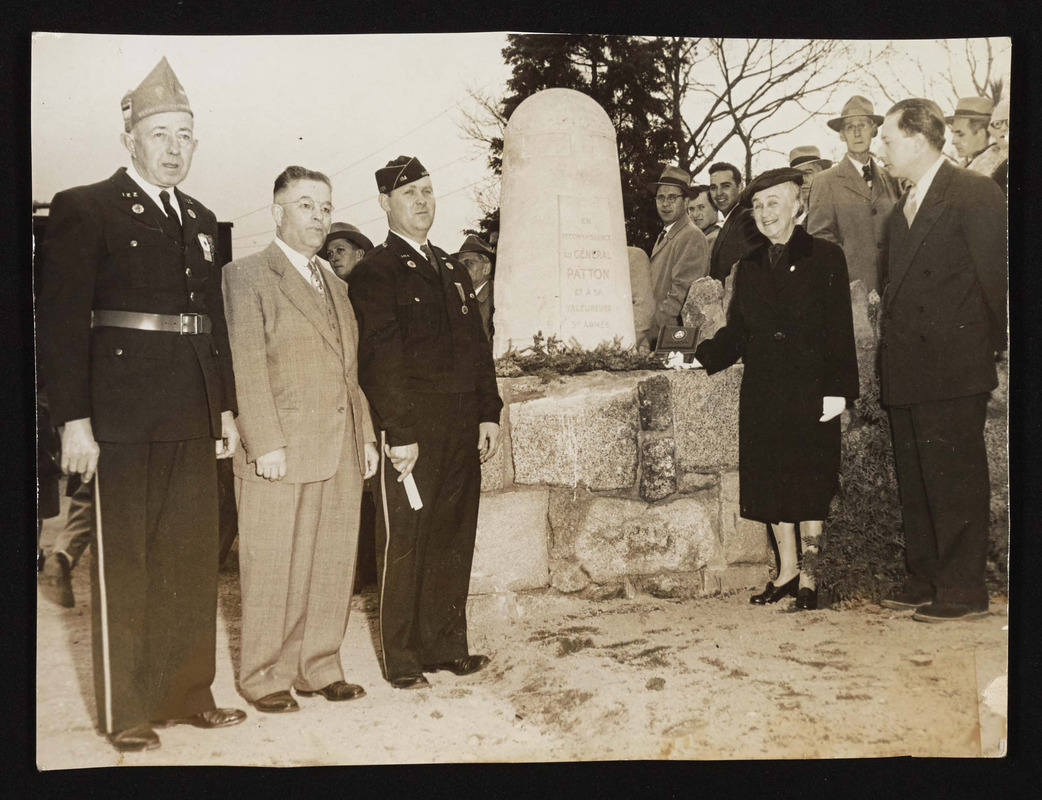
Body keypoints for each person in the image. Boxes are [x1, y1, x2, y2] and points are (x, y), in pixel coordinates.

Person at [35, 57, 246, 752]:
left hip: (189, 408)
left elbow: (208, 319)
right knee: (126, 563)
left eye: (186, 134)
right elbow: (62, 323)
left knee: (190, 559)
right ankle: (127, 707)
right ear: (131, 137)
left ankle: (187, 693)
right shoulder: (84, 206)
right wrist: (72, 419)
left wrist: (223, 408)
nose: (175, 146)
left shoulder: (202, 218)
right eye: (161, 133)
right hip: (120, 413)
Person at [222, 166, 379, 713]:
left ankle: (318, 666)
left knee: (332, 560)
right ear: (278, 212)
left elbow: (348, 371)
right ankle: (264, 674)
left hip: (337, 444)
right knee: (271, 564)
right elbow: (245, 365)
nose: (319, 218)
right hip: (280, 447)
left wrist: (364, 435)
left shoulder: (337, 284)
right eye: (307, 205)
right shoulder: (246, 276)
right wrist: (264, 441)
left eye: (326, 207)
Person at [348, 156, 503, 690]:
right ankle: (404, 658)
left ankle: (445, 645)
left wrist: (489, 412)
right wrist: (400, 432)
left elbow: (476, 348)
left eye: (428, 191)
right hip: (412, 429)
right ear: (385, 204)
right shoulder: (376, 272)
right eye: (409, 192)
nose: (421, 201)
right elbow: (380, 361)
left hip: (462, 426)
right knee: (406, 540)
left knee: (452, 534)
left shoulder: (451, 268)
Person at [691, 168, 859, 610]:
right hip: (764, 389)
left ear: (796, 206)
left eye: (774, 204)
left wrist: (839, 390)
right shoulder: (746, 267)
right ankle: (785, 573)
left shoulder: (826, 256)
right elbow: (738, 332)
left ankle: (811, 576)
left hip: (811, 389)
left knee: (809, 481)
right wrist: (697, 355)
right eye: (759, 206)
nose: (765, 214)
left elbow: (841, 328)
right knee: (772, 483)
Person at [876, 99, 1007, 622]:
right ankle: (926, 576)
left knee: (954, 478)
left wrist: (984, 350)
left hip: (953, 366)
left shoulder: (973, 192)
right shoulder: (898, 209)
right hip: (908, 366)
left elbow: (997, 283)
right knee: (917, 479)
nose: (880, 149)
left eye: (887, 138)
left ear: (918, 138)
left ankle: (963, 588)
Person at [806, 96, 901, 296]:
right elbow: (820, 237)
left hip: (894, 292)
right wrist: (848, 277)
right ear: (842, 135)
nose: (857, 133)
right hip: (851, 293)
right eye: (850, 127)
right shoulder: (825, 181)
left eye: (863, 125)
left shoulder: (891, 177)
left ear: (874, 129)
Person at [646, 165, 710, 348]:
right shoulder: (666, 235)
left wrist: (649, 336)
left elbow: (680, 295)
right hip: (659, 335)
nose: (665, 204)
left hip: (670, 339)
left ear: (686, 202)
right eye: (661, 197)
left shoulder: (691, 235)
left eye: (673, 197)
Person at [707, 162, 762, 283]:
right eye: (713, 188)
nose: (719, 193)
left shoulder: (747, 219)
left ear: (740, 187)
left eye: (725, 186)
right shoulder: (732, 220)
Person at [946, 96, 1007, 194]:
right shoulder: (963, 166)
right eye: (953, 134)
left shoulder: (1000, 169)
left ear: (981, 134)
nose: (953, 141)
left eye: (960, 134)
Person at [453, 234, 496, 343]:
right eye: (459, 264)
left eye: (469, 263)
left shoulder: (496, 298)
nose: (461, 269)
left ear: (486, 268)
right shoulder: (460, 298)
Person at [788, 145, 833, 228]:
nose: (803, 180)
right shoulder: (789, 217)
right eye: (797, 175)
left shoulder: (834, 210)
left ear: (821, 174)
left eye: (808, 172)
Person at [686, 184, 722, 248]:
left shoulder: (716, 239)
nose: (695, 214)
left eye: (701, 207)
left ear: (715, 207)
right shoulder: (698, 237)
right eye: (691, 209)